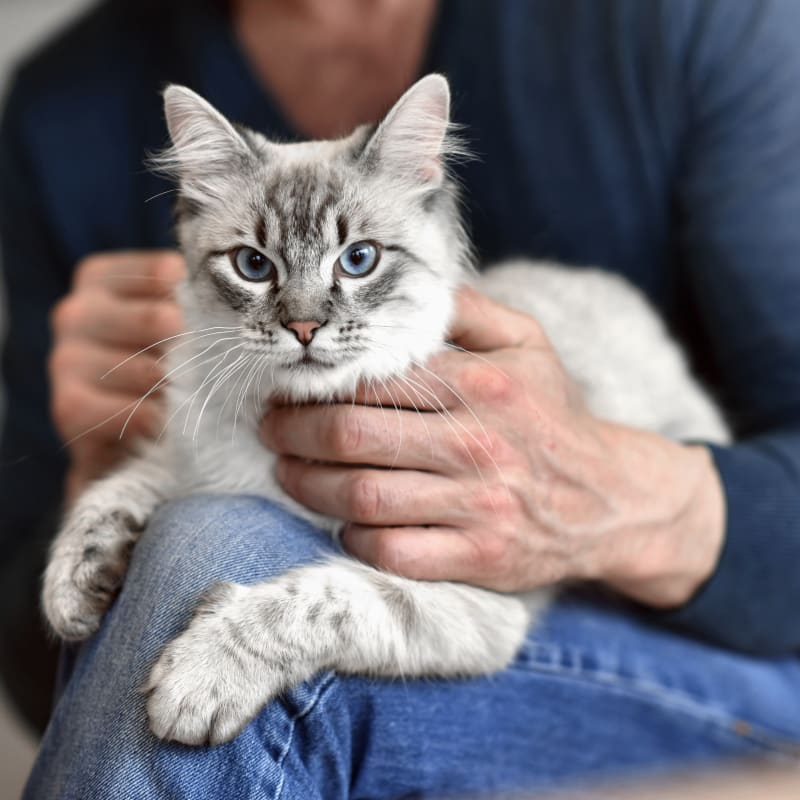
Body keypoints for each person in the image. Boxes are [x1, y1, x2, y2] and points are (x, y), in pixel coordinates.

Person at [2, 0, 799, 796]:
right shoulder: (66, 107)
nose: (305, 319)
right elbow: (50, 676)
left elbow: (481, 619)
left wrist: (613, 490)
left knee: (209, 548)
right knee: (198, 529)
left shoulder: (695, 22)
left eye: (356, 261)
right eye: (254, 266)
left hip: (696, 634)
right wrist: (107, 477)